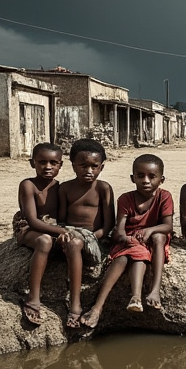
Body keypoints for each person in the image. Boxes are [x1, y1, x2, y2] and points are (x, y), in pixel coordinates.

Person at [82, 154, 174, 328]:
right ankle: (97, 307)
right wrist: (126, 238)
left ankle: (152, 291)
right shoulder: (126, 198)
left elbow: (167, 226)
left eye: (152, 177)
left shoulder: (164, 197)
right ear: (133, 178)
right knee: (124, 257)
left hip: (153, 239)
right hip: (131, 240)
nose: (146, 181)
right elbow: (119, 230)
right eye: (140, 176)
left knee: (158, 237)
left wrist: (150, 229)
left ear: (161, 180)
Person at [57, 138, 116, 329]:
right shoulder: (65, 188)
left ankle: (75, 305)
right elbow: (62, 220)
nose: (89, 171)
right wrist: (66, 233)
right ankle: (75, 303)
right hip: (71, 233)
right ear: (73, 165)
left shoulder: (103, 188)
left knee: (75, 243)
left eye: (94, 166)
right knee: (73, 242)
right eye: (83, 166)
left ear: (102, 167)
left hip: (93, 238)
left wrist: (89, 237)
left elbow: (108, 226)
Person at [12, 142, 65, 325]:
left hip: (52, 226)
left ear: (60, 165)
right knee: (44, 242)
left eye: (53, 163)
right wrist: (60, 231)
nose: (48, 167)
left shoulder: (60, 187)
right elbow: (33, 221)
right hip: (29, 227)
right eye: (42, 162)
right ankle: (33, 297)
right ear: (32, 163)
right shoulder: (28, 185)